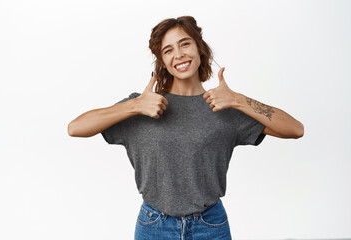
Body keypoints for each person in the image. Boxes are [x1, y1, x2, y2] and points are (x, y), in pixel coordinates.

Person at [68, 16, 304, 240]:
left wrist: (237, 99)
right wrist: (134, 104)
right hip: (154, 226)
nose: (179, 54)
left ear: (199, 48)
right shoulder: (142, 106)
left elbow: (295, 129)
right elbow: (76, 128)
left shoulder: (224, 104)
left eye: (185, 44)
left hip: (211, 226)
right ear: (162, 61)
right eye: (168, 50)